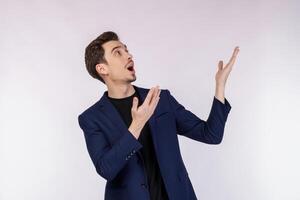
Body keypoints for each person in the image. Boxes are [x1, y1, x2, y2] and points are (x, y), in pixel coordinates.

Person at [78, 31, 239, 200]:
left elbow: (211, 135)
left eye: (127, 50)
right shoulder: (91, 118)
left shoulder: (161, 100)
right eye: (118, 52)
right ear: (102, 69)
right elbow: (106, 169)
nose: (129, 55)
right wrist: (137, 125)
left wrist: (220, 86)